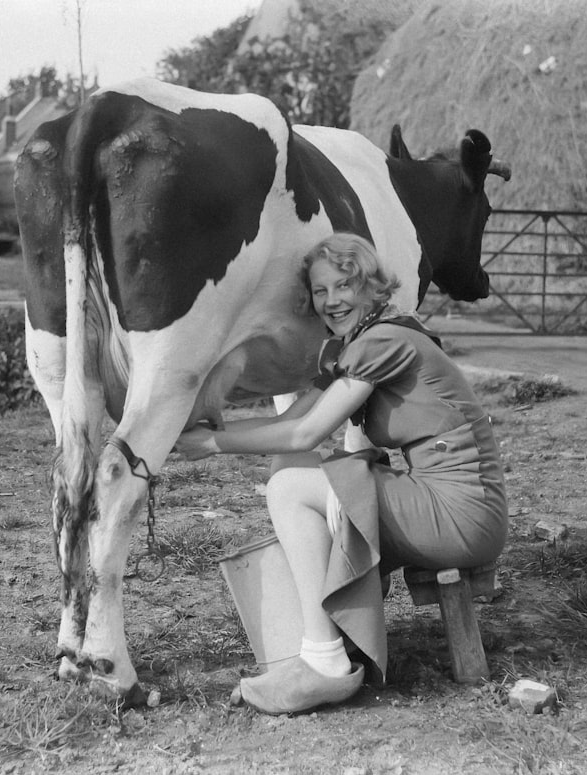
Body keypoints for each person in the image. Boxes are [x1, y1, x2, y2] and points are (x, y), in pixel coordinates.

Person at [175, 232, 508, 715]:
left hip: (462, 511)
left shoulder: (385, 341)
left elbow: (306, 432)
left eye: (344, 286)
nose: (331, 301)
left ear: (371, 287)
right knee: (290, 470)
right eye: (320, 290)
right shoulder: (365, 340)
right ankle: (322, 633)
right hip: (440, 500)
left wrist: (210, 444)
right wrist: (211, 422)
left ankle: (324, 661)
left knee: (291, 486)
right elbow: (291, 423)